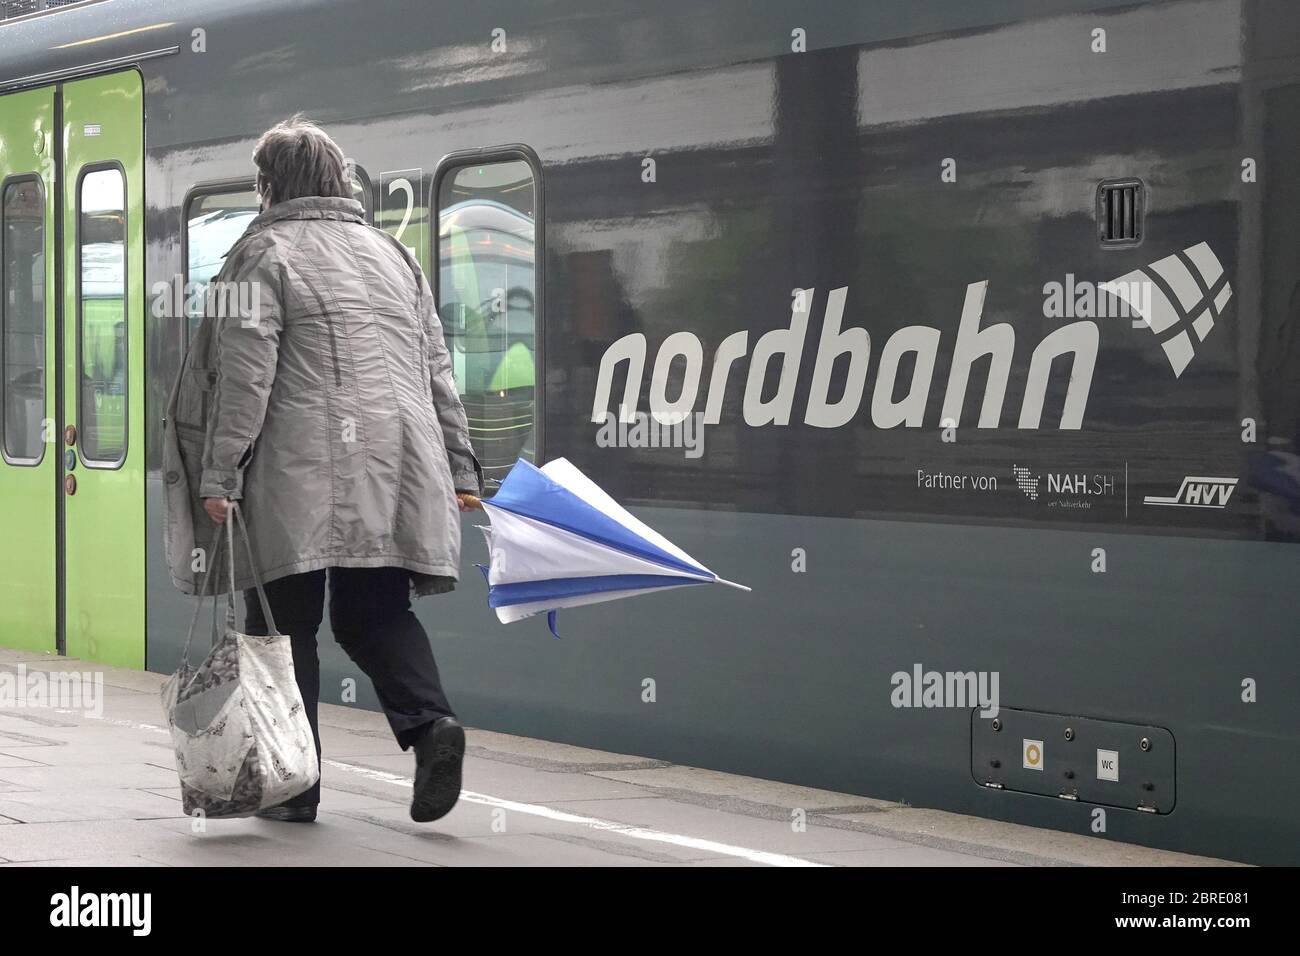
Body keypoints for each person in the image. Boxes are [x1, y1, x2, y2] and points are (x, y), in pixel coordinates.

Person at [187, 115, 483, 823]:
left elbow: (245, 379)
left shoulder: (263, 255)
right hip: (398, 463)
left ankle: (297, 789)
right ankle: (431, 725)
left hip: (298, 469)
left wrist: (221, 473)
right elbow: (436, 371)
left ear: (268, 185)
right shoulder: (392, 254)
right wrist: (462, 467)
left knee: (283, 629)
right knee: (375, 611)